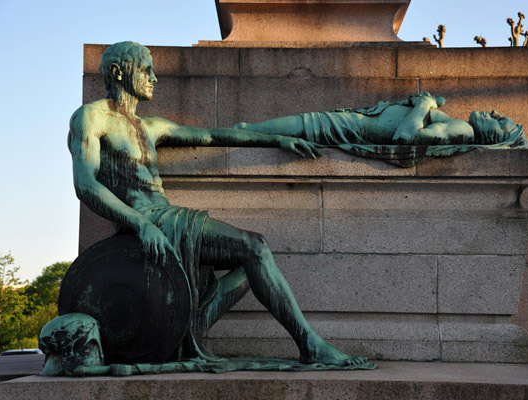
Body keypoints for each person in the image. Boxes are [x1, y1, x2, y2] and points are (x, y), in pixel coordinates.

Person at [67, 41, 365, 366]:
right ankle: (311, 345)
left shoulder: (151, 126)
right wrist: (141, 224)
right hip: (151, 223)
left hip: (168, 221)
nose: (154, 77)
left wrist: (275, 140)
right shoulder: (91, 117)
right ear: (117, 72)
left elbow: (213, 135)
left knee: (248, 261)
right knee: (255, 247)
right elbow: (86, 183)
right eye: (145, 69)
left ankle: (186, 330)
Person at [232, 92, 527, 166]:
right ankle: (231, 134)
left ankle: (228, 136)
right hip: (351, 122)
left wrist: (423, 104)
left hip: (346, 129)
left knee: (259, 130)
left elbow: (406, 138)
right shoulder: (458, 126)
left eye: (501, 122)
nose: (495, 113)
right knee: (263, 129)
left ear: (494, 138)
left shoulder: (461, 130)